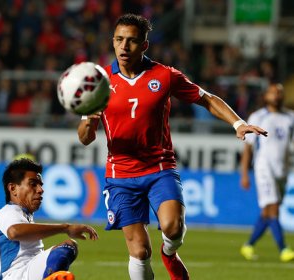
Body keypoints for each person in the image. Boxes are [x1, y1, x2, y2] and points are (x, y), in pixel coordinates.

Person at [77, 13, 267, 280]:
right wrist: (89, 120)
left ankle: (169, 253)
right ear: (112, 41)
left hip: (159, 167)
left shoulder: (164, 76)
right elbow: (85, 137)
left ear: (144, 45)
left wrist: (238, 123)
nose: (124, 47)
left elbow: (206, 99)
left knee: (173, 227)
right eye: (119, 40)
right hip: (121, 174)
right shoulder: (100, 82)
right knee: (140, 251)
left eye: (131, 41)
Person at [0, 158, 98, 280]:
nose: (40, 190)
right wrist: (66, 228)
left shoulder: (23, 216)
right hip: (12, 276)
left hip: (24, 273)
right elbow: (14, 232)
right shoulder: (8, 212)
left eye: (40, 185)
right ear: (13, 188)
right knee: (68, 246)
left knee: (67, 248)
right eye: (33, 184)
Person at [240, 83, 294, 262]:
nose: (277, 95)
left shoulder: (290, 117)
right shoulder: (258, 116)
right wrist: (244, 173)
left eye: (279, 92)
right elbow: (248, 148)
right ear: (266, 96)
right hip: (264, 167)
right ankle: (284, 249)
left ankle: (248, 245)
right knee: (273, 209)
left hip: (283, 169)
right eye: (273, 92)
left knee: (268, 211)